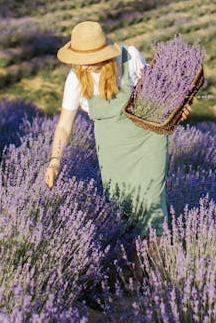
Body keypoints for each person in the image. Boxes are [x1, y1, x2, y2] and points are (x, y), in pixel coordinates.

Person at [44, 20, 169, 234]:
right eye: (81, 59)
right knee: (122, 208)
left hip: (148, 141)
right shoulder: (75, 78)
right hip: (112, 151)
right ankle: (132, 264)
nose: (85, 65)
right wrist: (55, 161)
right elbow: (64, 125)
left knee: (152, 204)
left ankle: (157, 262)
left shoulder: (129, 57)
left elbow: (158, 94)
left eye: (90, 59)